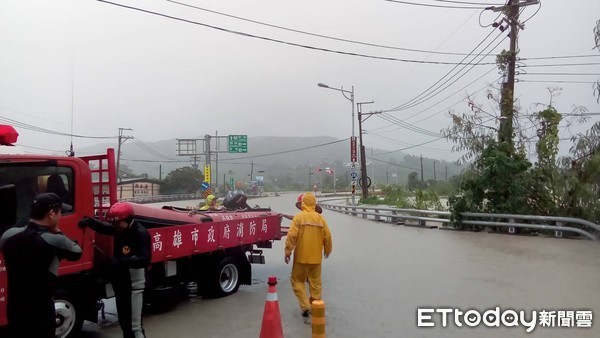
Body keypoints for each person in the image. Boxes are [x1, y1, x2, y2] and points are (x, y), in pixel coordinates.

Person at [0, 192, 82, 338]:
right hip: (41, 311)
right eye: (59, 213)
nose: (60, 216)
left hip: (15, 308)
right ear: (51, 214)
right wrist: (57, 230)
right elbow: (77, 252)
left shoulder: (8, 235)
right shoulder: (54, 240)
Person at [78, 201, 151, 338]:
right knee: (124, 324)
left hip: (135, 287)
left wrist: (122, 262)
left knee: (135, 327)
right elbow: (104, 228)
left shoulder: (141, 233)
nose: (115, 226)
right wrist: (89, 222)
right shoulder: (120, 229)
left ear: (127, 219)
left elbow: (145, 258)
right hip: (121, 285)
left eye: (117, 223)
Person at [284, 192, 332, 322]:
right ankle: (316, 307)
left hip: (300, 258)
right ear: (314, 204)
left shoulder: (298, 218)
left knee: (297, 281)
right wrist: (327, 250)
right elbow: (327, 237)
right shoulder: (320, 219)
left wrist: (287, 252)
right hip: (316, 259)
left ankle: (305, 307)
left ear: (303, 203)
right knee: (315, 283)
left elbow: (291, 236)